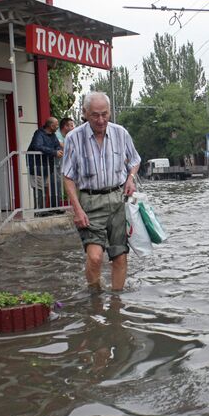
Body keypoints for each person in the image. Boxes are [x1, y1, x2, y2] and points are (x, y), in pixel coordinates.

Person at [62, 92, 141, 291]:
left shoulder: (120, 133)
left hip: (117, 199)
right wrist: (77, 210)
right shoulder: (74, 138)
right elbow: (68, 177)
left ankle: (116, 304)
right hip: (90, 201)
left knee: (120, 256)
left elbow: (135, 160)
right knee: (95, 257)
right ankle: (95, 296)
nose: (101, 120)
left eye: (105, 114)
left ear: (110, 112)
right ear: (85, 113)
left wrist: (130, 179)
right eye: (95, 115)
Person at [28, 116, 63, 209]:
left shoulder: (53, 135)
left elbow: (57, 145)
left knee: (45, 188)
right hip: (37, 166)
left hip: (47, 167)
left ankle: (44, 210)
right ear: (51, 126)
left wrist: (58, 150)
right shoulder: (39, 134)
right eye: (56, 125)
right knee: (39, 190)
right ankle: (39, 212)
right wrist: (54, 152)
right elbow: (37, 146)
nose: (57, 127)